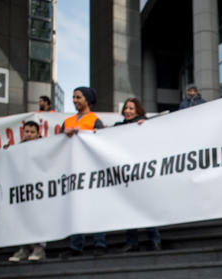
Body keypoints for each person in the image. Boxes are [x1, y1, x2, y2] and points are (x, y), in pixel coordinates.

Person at [59, 86, 107, 258]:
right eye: (73, 97)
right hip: (72, 170)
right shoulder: (67, 122)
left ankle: (99, 242)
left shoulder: (95, 121)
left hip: (91, 170)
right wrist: (63, 135)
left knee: (94, 206)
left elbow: (103, 142)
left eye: (78, 97)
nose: (75, 100)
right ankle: (76, 244)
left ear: (87, 99)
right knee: (75, 207)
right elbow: (57, 145)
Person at [114, 98, 162, 253]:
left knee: (147, 206)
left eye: (131, 108)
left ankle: (154, 239)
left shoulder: (144, 124)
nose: (127, 111)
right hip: (126, 175)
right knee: (129, 208)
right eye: (126, 108)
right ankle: (132, 241)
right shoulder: (118, 128)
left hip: (143, 174)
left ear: (138, 111)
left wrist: (146, 127)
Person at [7, 121, 47, 262]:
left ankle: (39, 248)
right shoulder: (17, 148)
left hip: (38, 189)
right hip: (22, 189)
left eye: (32, 132)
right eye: (26, 132)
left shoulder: (44, 147)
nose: (29, 135)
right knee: (22, 217)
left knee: (37, 217)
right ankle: (23, 248)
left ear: (38, 134)